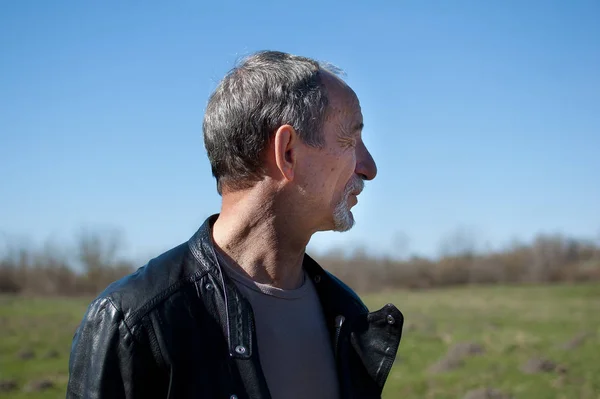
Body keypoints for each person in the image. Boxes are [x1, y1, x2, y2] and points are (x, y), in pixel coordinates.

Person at [66, 50, 403, 399]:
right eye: (350, 140)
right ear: (287, 151)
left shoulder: (346, 313)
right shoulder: (136, 322)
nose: (369, 167)